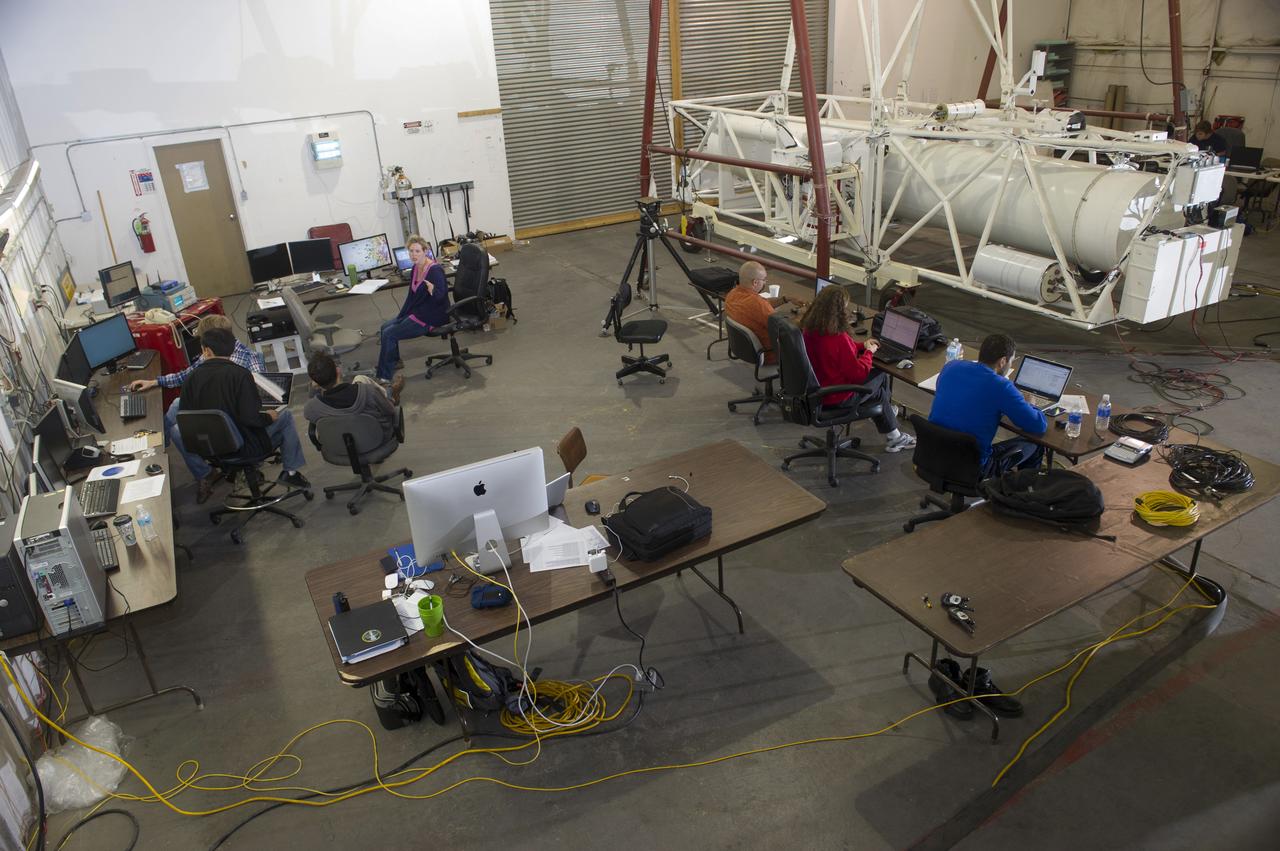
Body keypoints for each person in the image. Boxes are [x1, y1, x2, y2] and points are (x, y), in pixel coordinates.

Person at [129, 314, 265, 504]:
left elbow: (256, 398)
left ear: (210, 346)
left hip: (236, 420)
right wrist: (155, 381)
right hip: (214, 415)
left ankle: (157, 444)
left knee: (178, 408)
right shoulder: (207, 357)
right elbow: (185, 376)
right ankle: (204, 472)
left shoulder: (250, 361)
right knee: (178, 426)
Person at [178, 326, 310, 491]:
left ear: (207, 351)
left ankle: (244, 473)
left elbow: (185, 416)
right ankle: (290, 473)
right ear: (232, 349)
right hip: (244, 447)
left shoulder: (191, 378)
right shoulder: (239, 375)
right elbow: (250, 419)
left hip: (209, 449)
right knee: (285, 417)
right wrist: (269, 416)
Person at [798, 285, 915, 453]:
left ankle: (887, 415)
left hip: (815, 391)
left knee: (876, 391)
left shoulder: (810, 329)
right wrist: (869, 352)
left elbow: (841, 351)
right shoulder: (838, 337)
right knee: (881, 376)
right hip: (836, 397)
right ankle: (893, 434)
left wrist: (861, 345)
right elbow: (859, 374)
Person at [929, 333, 1046, 476]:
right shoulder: (1002, 386)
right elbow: (1038, 425)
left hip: (933, 454)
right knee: (1036, 444)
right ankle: (1024, 494)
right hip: (973, 466)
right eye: (1011, 362)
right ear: (1003, 361)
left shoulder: (951, 366)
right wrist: (1031, 404)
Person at [376, 234, 449, 382]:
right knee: (385, 327)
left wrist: (433, 290)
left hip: (431, 316)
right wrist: (402, 315)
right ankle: (395, 361)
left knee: (390, 334)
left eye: (417, 251)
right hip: (418, 312)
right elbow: (412, 296)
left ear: (425, 251)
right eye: (411, 251)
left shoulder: (435, 270)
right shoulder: (416, 268)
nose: (413, 255)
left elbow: (442, 296)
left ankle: (384, 378)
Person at [302, 353, 404, 447]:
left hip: (339, 447)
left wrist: (313, 390)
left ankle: (389, 390)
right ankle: (390, 391)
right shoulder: (367, 391)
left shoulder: (311, 408)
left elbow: (311, 413)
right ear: (338, 371)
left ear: (315, 382)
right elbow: (390, 410)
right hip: (377, 440)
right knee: (373, 388)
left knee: (363, 381)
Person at [724, 260, 805, 364]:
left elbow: (763, 304)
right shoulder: (757, 304)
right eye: (764, 280)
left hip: (746, 350)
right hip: (770, 354)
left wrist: (785, 299)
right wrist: (803, 316)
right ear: (755, 282)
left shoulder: (732, 295)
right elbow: (787, 330)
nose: (765, 282)